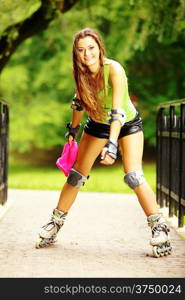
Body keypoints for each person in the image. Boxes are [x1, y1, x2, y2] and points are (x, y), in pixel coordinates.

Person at [35, 28, 172, 257]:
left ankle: (159, 228)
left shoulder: (114, 69)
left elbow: (117, 112)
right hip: (97, 125)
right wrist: (74, 130)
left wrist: (112, 145)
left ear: (99, 47)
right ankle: (55, 223)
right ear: (75, 53)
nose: (86, 54)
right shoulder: (79, 72)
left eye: (91, 48)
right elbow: (79, 103)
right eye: (81, 50)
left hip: (126, 124)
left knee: (133, 175)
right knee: (76, 176)